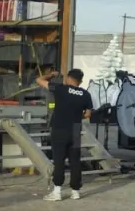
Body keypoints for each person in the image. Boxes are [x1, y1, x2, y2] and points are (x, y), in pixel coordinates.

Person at [36, 68, 94, 202]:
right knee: (75, 160)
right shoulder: (85, 94)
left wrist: (51, 75)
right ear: (80, 81)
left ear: (69, 78)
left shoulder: (61, 89)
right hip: (75, 129)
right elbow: (88, 114)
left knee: (59, 160)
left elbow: (39, 80)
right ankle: (75, 192)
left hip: (60, 129)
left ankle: (57, 192)